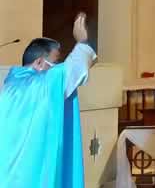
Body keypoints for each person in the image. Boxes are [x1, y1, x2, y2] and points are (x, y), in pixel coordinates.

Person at [0, 12, 97, 188]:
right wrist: (82, 42)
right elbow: (74, 70)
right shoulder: (39, 86)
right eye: (56, 61)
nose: (58, 67)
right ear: (38, 63)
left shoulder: (12, 84)